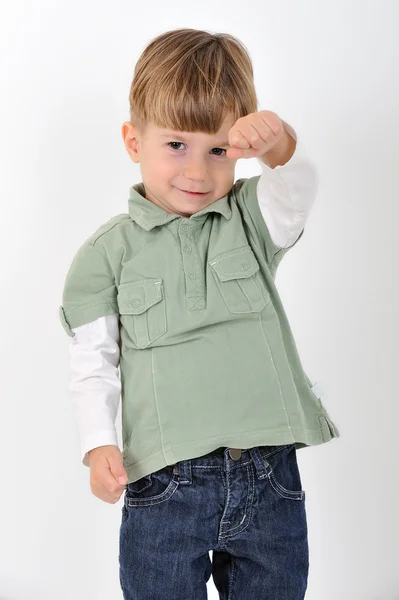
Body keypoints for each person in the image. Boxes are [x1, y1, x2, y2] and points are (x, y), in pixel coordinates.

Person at [59, 27, 340, 600]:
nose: (197, 172)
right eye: (176, 146)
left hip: (268, 474)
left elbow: (296, 188)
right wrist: (97, 443)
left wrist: (280, 144)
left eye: (218, 151)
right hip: (164, 482)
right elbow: (93, 361)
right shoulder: (103, 256)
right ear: (134, 142)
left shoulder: (251, 220)